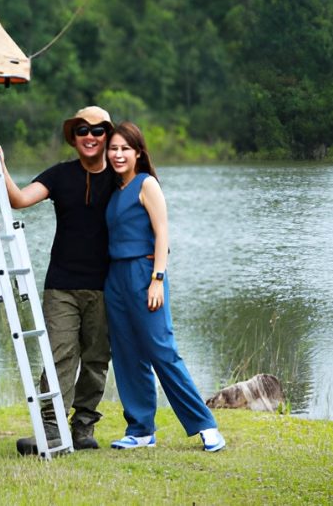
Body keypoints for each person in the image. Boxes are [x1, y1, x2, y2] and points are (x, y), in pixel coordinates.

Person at [0, 106, 114, 455]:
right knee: (58, 356)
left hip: (106, 285)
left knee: (97, 359)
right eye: (82, 130)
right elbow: (19, 199)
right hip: (61, 285)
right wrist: (1, 165)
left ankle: (83, 427)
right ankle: (52, 428)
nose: (90, 136)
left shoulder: (122, 177)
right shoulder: (60, 175)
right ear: (74, 137)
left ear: (108, 137)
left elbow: (148, 206)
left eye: (98, 131)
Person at [103, 121, 225, 451]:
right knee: (127, 355)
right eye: (113, 149)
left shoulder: (146, 184)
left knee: (162, 351)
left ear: (138, 153)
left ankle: (205, 425)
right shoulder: (114, 190)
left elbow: (162, 234)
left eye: (125, 149)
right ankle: (141, 429)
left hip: (144, 273)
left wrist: (157, 279)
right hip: (115, 278)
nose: (118, 154)